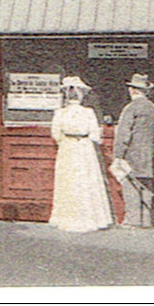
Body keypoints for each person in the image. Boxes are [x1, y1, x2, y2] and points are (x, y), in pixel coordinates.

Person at [48, 77, 114, 232]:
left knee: (68, 182)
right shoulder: (88, 112)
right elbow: (95, 136)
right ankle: (89, 218)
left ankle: (66, 218)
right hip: (84, 149)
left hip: (67, 148)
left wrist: (66, 140)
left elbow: (56, 134)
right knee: (85, 181)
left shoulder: (60, 113)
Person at [111, 73, 154, 227]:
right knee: (146, 187)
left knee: (131, 187)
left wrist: (118, 155)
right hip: (149, 153)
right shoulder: (153, 107)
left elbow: (124, 133)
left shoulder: (131, 108)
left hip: (132, 153)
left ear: (132, 90)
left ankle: (133, 220)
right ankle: (146, 220)